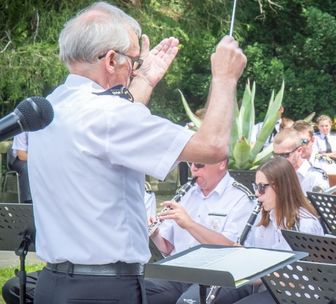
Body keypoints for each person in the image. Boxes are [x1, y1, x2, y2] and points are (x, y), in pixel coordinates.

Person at [26, 2, 246, 303]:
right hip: (104, 290)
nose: (136, 67)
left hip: (54, 283)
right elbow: (213, 147)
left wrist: (145, 79)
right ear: (111, 60)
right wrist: (225, 76)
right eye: (133, 59)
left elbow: (113, 127)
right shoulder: (109, 116)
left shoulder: (52, 105)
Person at [213, 157, 324, 304]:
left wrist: (251, 268)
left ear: (281, 187)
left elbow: (298, 278)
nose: (257, 194)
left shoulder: (305, 225)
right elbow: (258, 260)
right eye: (256, 187)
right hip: (267, 286)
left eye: (262, 187)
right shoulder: (264, 218)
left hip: (295, 293)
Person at [146, 160, 254, 304]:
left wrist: (189, 224)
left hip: (216, 276)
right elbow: (167, 247)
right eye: (190, 164)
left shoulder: (240, 198)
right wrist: (154, 234)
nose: (193, 169)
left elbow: (233, 251)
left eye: (199, 165)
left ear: (221, 163)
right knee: (139, 292)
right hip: (178, 272)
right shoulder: (186, 192)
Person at [272, 128, 329, 193]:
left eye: (285, 155)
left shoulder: (315, 177)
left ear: (299, 151)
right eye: (275, 155)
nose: (279, 160)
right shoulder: (274, 175)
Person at [9, 132, 32, 203]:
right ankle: (28, 201)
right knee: (27, 168)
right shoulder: (23, 129)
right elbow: (21, 155)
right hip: (21, 159)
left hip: (37, 159)